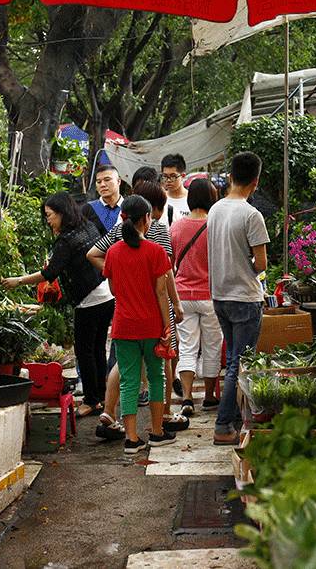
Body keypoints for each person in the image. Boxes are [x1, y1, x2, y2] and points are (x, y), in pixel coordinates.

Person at [87, 181, 189, 439]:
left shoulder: (114, 248)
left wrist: (123, 281)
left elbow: (107, 277)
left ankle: (127, 434)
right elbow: (163, 284)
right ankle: (160, 424)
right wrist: (171, 315)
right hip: (153, 318)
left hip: (123, 320)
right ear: (149, 214)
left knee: (127, 375)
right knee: (159, 374)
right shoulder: (156, 242)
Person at [1, 192, 113, 417]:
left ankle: (91, 400)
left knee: (85, 351)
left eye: (49, 215)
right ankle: (100, 396)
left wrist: (18, 281)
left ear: (62, 213)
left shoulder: (67, 241)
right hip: (107, 294)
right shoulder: (88, 226)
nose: (48, 220)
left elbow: (49, 272)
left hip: (89, 300)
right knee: (98, 349)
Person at [102, 195, 177, 454]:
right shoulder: (156, 252)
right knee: (157, 377)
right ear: (146, 219)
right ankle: (157, 432)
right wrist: (167, 327)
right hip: (151, 325)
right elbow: (161, 293)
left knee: (129, 381)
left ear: (123, 218)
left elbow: (114, 289)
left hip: (123, 326)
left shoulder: (112, 252)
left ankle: (131, 438)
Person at [207, 152, 269, 446]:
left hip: (220, 296)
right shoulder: (251, 215)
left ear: (230, 176)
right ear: (255, 182)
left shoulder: (215, 209)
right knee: (237, 364)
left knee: (232, 360)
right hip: (245, 297)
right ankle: (222, 426)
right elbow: (262, 264)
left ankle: (231, 420)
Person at [170, 178, 222, 416]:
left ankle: (187, 398)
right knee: (212, 346)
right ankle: (210, 397)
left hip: (183, 296)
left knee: (188, 347)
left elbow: (170, 265)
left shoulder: (176, 227)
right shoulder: (216, 227)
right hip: (211, 296)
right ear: (212, 199)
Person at [86, 165, 123, 235]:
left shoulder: (130, 207)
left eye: (107, 180)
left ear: (119, 181)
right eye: (99, 182)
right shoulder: (88, 209)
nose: (102, 185)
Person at [161, 154, 190, 225]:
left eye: (173, 176)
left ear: (183, 176)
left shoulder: (192, 199)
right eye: (165, 176)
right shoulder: (160, 199)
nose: (168, 180)